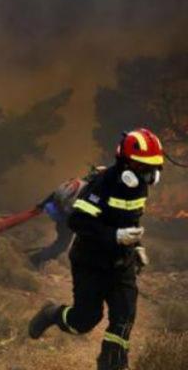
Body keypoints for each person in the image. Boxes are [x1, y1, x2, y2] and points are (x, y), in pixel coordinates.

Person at [28, 128, 164, 370]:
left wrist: (137, 246)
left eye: (154, 169)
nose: (150, 175)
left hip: (121, 264)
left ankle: (111, 364)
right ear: (126, 163)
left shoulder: (139, 187)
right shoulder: (104, 184)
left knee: (124, 319)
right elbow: (78, 221)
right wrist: (115, 236)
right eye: (145, 167)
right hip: (90, 263)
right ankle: (51, 313)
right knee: (84, 320)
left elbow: (130, 220)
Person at [29, 167, 106, 268]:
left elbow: (54, 193)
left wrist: (41, 205)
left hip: (61, 216)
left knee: (62, 243)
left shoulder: (75, 181)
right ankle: (36, 258)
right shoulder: (91, 191)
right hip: (68, 219)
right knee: (62, 246)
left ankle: (40, 256)